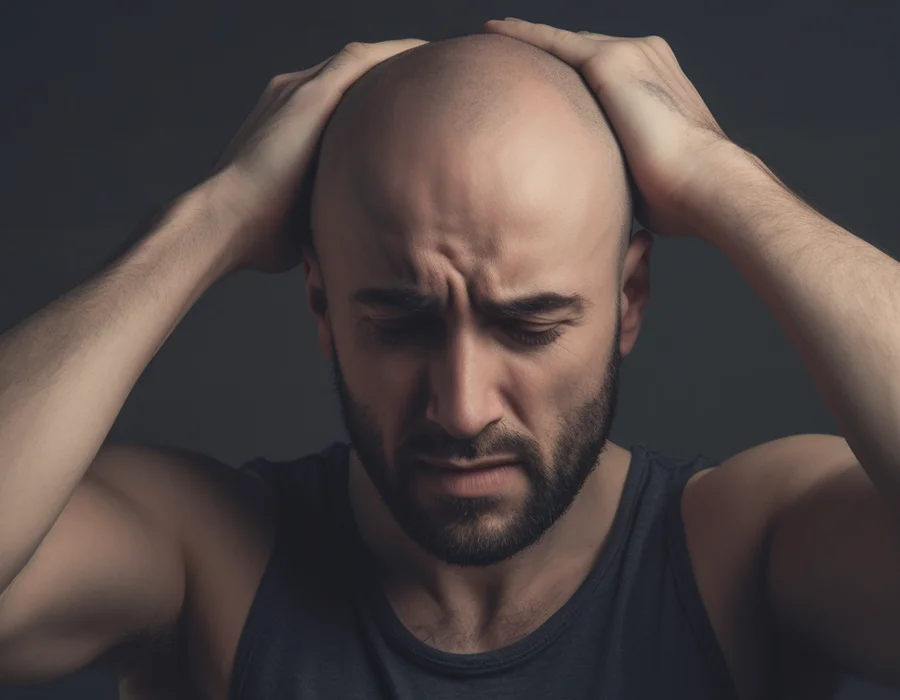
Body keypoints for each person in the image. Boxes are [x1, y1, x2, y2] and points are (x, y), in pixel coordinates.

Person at [1, 22, 899, 700]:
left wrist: (719, 178)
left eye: (531, 325)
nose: (463, 409)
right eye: (399, 326)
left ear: (629, 300)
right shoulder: (209, 561)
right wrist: (215, 215)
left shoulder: (747, 553)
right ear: (320, 303)